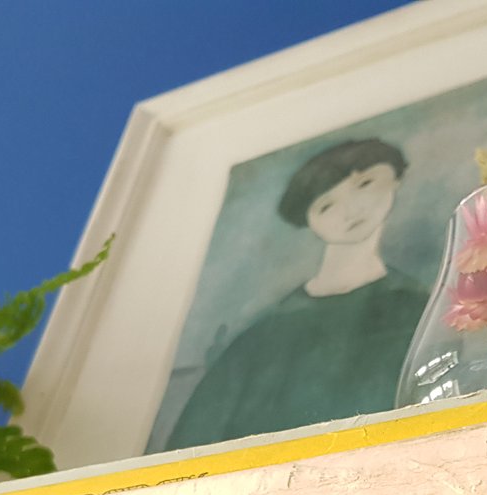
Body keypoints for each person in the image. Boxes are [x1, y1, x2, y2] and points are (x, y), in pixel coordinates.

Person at [163, 138, 430, 450]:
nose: (351, 209)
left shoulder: (418, 307)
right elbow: (191, 445)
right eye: (326, 205)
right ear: (308, 220)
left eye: (365, 184)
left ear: (396, 179)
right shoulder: (264, 335)